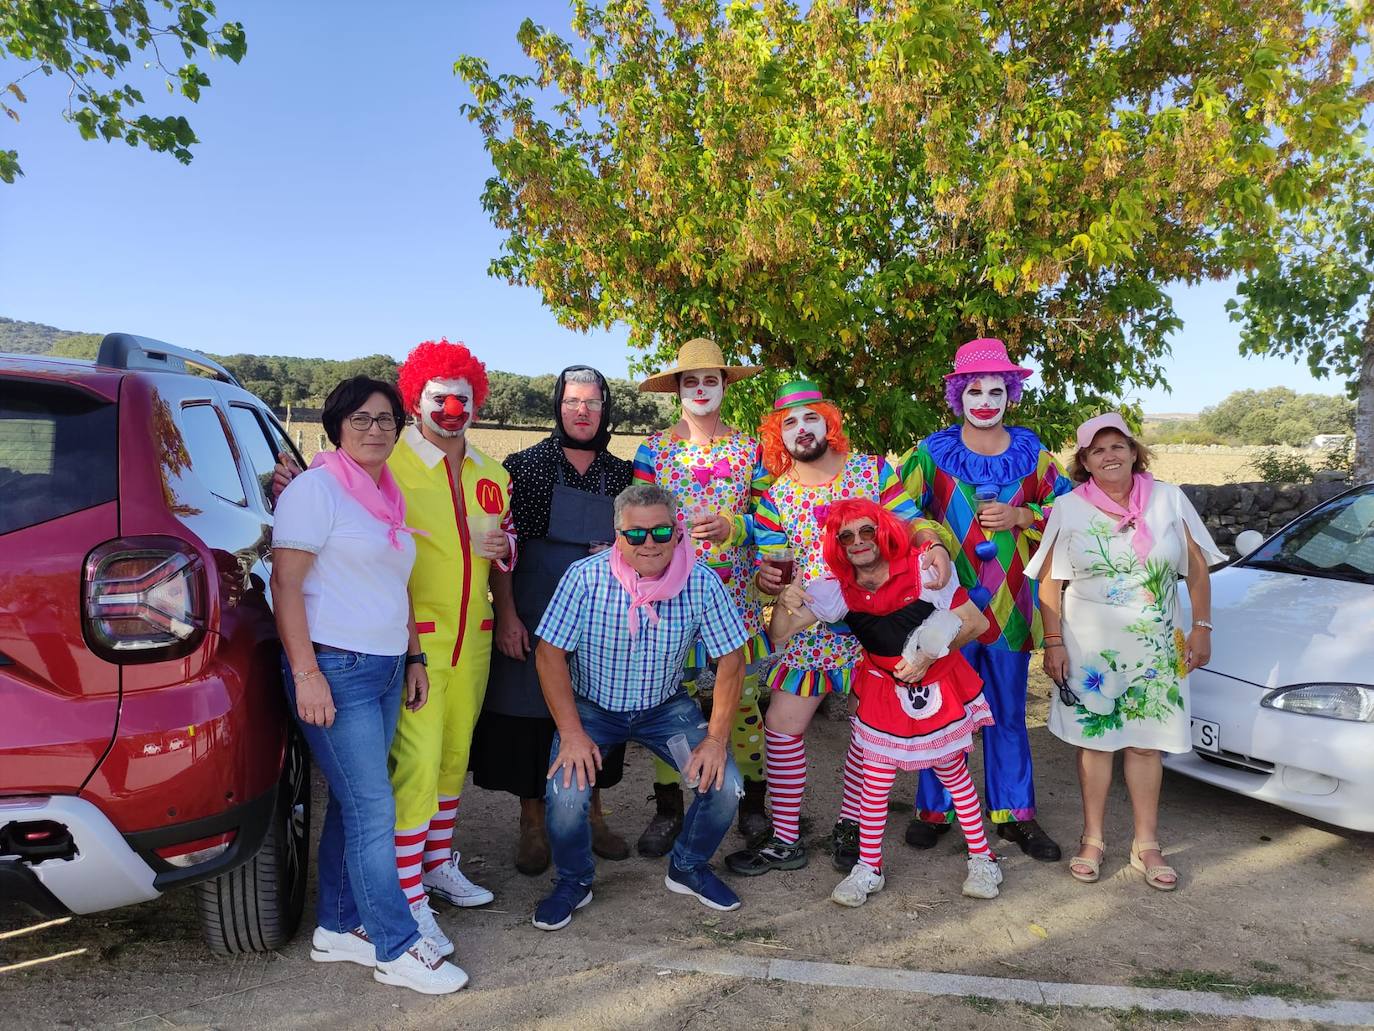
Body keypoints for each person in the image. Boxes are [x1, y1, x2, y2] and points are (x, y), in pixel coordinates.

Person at [274, 339, 514, 956]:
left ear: (477, 402)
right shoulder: (387, 465)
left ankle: (434, 864)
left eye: (463, 396)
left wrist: (505, 571)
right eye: (440, 396)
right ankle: (403, 897)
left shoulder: (494, 474)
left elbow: (494, 553)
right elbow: (321, 535)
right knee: (411, 771)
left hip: (471, 638)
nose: (452, 407)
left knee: (453, 758)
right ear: (418, 400)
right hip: (409, 644)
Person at [724, 379, 955, 877]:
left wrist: (932, 543)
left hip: (880, 625)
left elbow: (912, 521)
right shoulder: (775, 498)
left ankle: (853, 828)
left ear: (828, 423)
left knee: (866, 733)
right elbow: (772, 572)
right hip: (811, 633)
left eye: (811, 418)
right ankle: (785, 837)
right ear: (777, 436)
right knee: (783, 728)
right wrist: (770, 584)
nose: (801, 429)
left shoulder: (872, 471)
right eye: (789, 423)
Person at [531, 482, 749, 931]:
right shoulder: (585, 578)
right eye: (635, 534)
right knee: (566, 796)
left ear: (678, 532)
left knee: (725, 784)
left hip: (663, 707)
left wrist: (715, 739)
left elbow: (731, 659)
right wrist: (571, 734)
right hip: (593, 708)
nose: (648, 543)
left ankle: (687, 866)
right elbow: (548, 654)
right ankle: (574, 881)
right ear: (618, 534)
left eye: (660, 532)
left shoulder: (701, 581)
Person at [769, 499, 1001, 905]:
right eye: (846, 536)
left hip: (936, 686)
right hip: (881, 689)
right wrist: (784, 601)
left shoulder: (923, 571)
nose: (857, 542)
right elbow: (780, 634)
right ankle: (868, 868)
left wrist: (929, 658)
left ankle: (983, 860)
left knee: (954, 776)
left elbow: (977, 624)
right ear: (838, 546)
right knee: (875, 784)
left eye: (866, 531)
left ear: (884, 532)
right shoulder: (836, 590)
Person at [1025, 413, 1222, 891]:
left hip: (1155, 643)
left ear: (1135, 452)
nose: (1109, 456)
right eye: (1097, 450)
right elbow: (1051, 583)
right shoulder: (1069, 507)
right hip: (1091, 645)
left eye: (1118, 446)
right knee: (1096, 742)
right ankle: (1092, 839)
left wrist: (1201, 627)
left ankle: (1146, 843)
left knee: (1145, 742)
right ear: (1085, 463)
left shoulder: (1169, 499)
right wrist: (1052, 643)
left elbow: (1196, 570)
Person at [895, 338, 1071, 862]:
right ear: (958, 394)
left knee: (1009, 712)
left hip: (1011, 606)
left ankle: (1014, 814)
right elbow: (898, 505)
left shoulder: (1034, 455)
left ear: (1010, 393)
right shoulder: (931, 453)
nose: (987, 400)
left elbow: (1068, 510)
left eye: (997, 389)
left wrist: (1023, 518)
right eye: (975, 389)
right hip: (947, 605)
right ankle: (935, 809)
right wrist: (929, 539)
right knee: (940, 707)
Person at [472, 365, 631, 875]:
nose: (581, 411)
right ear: (558, 407)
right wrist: (508, 617)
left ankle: (593, 816)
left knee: (594, 716)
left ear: (605, 410)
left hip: (601, 616)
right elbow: (502, 550)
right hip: (536, 610)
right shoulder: (525, 466)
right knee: (530, 719)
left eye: (591, 402)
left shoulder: (622, 475)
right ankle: (532, 823)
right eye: (571, 402)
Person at [633, 338, 772, 855]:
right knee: (669, 703)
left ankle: (754, 805)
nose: (700, 389)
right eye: (690, 381)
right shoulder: (654, 448)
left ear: (724, 386)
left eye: (709, 380)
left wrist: (736, 525)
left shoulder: (749, 449)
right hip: (669, 598)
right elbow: (635, 516)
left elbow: (772, 519)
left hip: (735, 598)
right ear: (677, 390)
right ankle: (669, 807)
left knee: (743, 703)